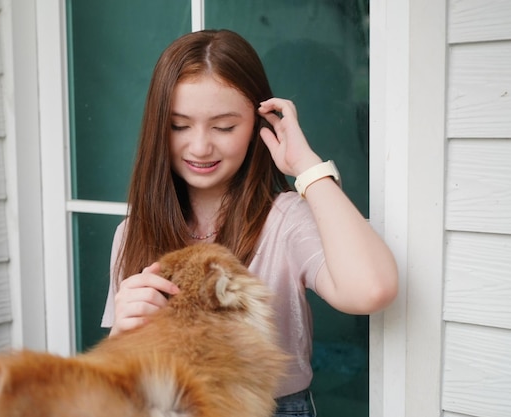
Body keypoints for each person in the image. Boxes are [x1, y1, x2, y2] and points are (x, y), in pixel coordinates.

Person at [101, 29, 398, 417]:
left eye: (224, 127)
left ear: (260, 126)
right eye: (179, 126)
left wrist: (306, 168)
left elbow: (371, 290)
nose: (200, 146)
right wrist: (123, 334)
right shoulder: (131, 232)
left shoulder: (284, 220)